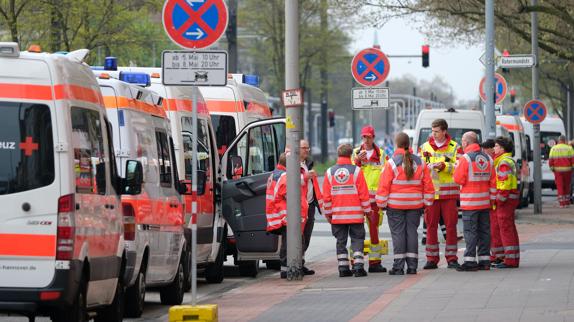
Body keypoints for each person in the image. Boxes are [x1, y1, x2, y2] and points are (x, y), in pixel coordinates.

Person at [376, 133, 434, 275]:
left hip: (395, 206)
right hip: (415, 205)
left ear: (396, 144)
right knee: (412, 233)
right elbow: (428, 185)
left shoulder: (391, 163)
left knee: (398, 235)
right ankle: (412, 266)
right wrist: (426, 203)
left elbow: (384, 186)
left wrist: (381, 204)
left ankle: (398, 267)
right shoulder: (420, 162)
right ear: (409, 143)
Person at [419, 119, 463, 269]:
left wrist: (444, 166)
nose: (434, 134)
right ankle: (431, 259)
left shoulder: (455, 147)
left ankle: (452, 258)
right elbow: (420, 168)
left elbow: (459, 167)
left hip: (449, 195)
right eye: (432, 131)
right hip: (431, 194)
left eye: (437, 131)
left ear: (444, 131)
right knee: (430, 227)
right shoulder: (424, 147)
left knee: (451, 227)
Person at [323, 144, 371, 277]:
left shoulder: (329, 172)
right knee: (357, 239)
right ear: (350, 155)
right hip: (355, 215)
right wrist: (368, 211)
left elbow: (326, 198)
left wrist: (328, 214)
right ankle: (358, 266)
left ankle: (343, 268)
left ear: (338, 155)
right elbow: (363, 194)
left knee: (341, 241)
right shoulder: (356, 171)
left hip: (338, 216)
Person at [454, 132, 496, 271]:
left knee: (470, 232)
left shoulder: (465, 159)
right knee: (484, 231)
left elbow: (458, 179)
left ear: (467, 142)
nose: (461, 143)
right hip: (485, 202)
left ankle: (470, 261)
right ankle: (485, 261)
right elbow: (493, 182)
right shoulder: (488, 159)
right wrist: (493, 200)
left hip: (470, 203)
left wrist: (456, 168)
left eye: (462, 141)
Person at [265, 153, 309, 278]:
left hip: (279, 214)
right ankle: (288, 270)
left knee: (289, 242)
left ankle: (291, 268)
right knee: (291, 242)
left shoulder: (275, 174)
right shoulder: (285, 176)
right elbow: (289, 196)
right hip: (287, 215)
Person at [352, 125, 387, 273]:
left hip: (374, 201)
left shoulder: (382, 154)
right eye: (364, 137)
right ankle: (356, 262)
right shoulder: (355, 152)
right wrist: (357, 161)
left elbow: (386, 175)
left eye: (369, 137)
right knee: (355, 231)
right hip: (358, 200)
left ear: (373, 137)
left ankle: (375, 262)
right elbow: (349, 171)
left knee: (374, 231)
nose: (366, 140)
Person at [493, 137, 520, 268]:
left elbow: (504, 185)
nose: (494, 148)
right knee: (510, 228)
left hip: (506, 200)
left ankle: (510, 261)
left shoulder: (503, 162)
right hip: (511, 198)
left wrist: (499, 200)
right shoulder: (509, 160)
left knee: (505, 229)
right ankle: (513, 258)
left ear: (502, 149)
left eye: (496, 146)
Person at [300, 139, 323, 275]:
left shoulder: (307, 163)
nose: (307, 150)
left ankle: (301, 262)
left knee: (306, 236)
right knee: (299, 236)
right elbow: (287, 182)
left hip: (309, 205)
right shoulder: (291, 164)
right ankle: (295, 264)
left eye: (308, 148)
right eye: (304, 148)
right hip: (298, 206)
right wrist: (305, 177)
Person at [481, 139, 504, 264]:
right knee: (493, 229)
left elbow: (494, 182)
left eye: (486, 149)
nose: (483, 151)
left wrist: (493, 199)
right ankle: (497, 254)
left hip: (494, 200)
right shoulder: (492, 160)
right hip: (492, 199)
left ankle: (498, 255)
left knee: (495, 229)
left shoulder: (495, 161)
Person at [548, 135, 574, 208]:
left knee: (560, 186)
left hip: (558, 171)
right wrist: (572, 168)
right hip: (567, 170)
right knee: (567, 186)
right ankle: (567, 202)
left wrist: (552, 168)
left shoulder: (553, 148)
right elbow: (573, 159)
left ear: (558, 140)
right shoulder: (569, 148)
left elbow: (550, 160)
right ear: (565, 140)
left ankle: (562, 203)